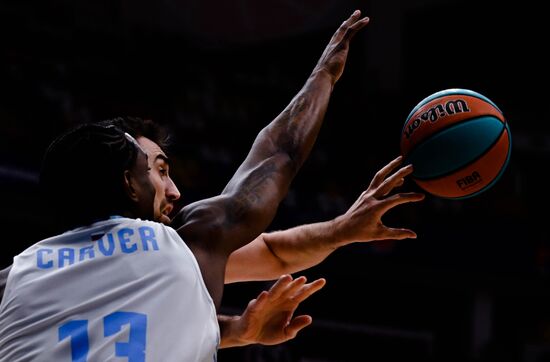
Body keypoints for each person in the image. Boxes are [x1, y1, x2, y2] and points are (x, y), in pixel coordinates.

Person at [0, 10, 424, 360]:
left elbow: (120, 330)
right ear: (129, 185)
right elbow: (278, 155)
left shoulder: (17, 276)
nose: (176, 192)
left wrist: (232, 330)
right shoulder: (177, 246)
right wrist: (325, 77)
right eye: (158, 170)